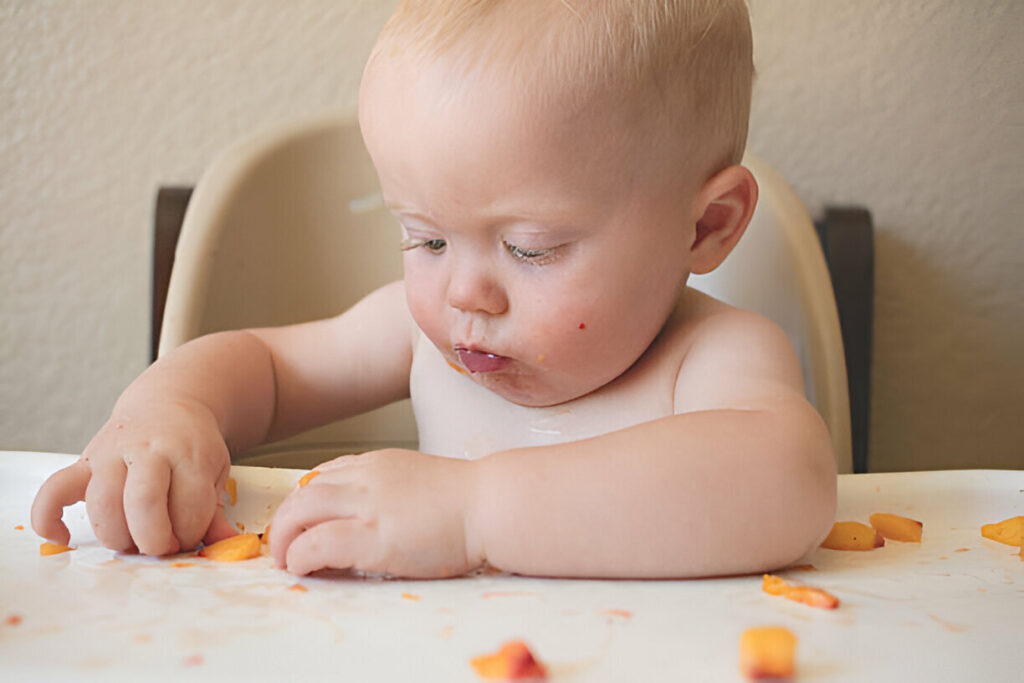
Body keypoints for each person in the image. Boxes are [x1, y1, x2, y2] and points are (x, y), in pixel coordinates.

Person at [32, 0, 836, 579]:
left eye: (531, 248)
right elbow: (266, 368)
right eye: (426, 238)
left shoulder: (715, 359)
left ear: (705, 227)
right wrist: (170, 411)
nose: (465, 295)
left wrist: (474, 511)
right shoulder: (425, 336)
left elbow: (787, 482)